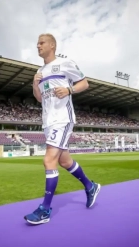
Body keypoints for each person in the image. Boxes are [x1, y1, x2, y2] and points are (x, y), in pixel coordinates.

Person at [24, 33, 101, 225]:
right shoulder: (40, 71)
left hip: (63, 118)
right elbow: (40, 98)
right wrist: (35, 84)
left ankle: (45, 210)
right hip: (48, 122)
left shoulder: (65, 64)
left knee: (49, 159)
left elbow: (84, 83)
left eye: (41, 43)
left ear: (52, 45)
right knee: (65, 161)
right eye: (37, 43)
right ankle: (90, 187)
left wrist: (69, 90)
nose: (38, 46)